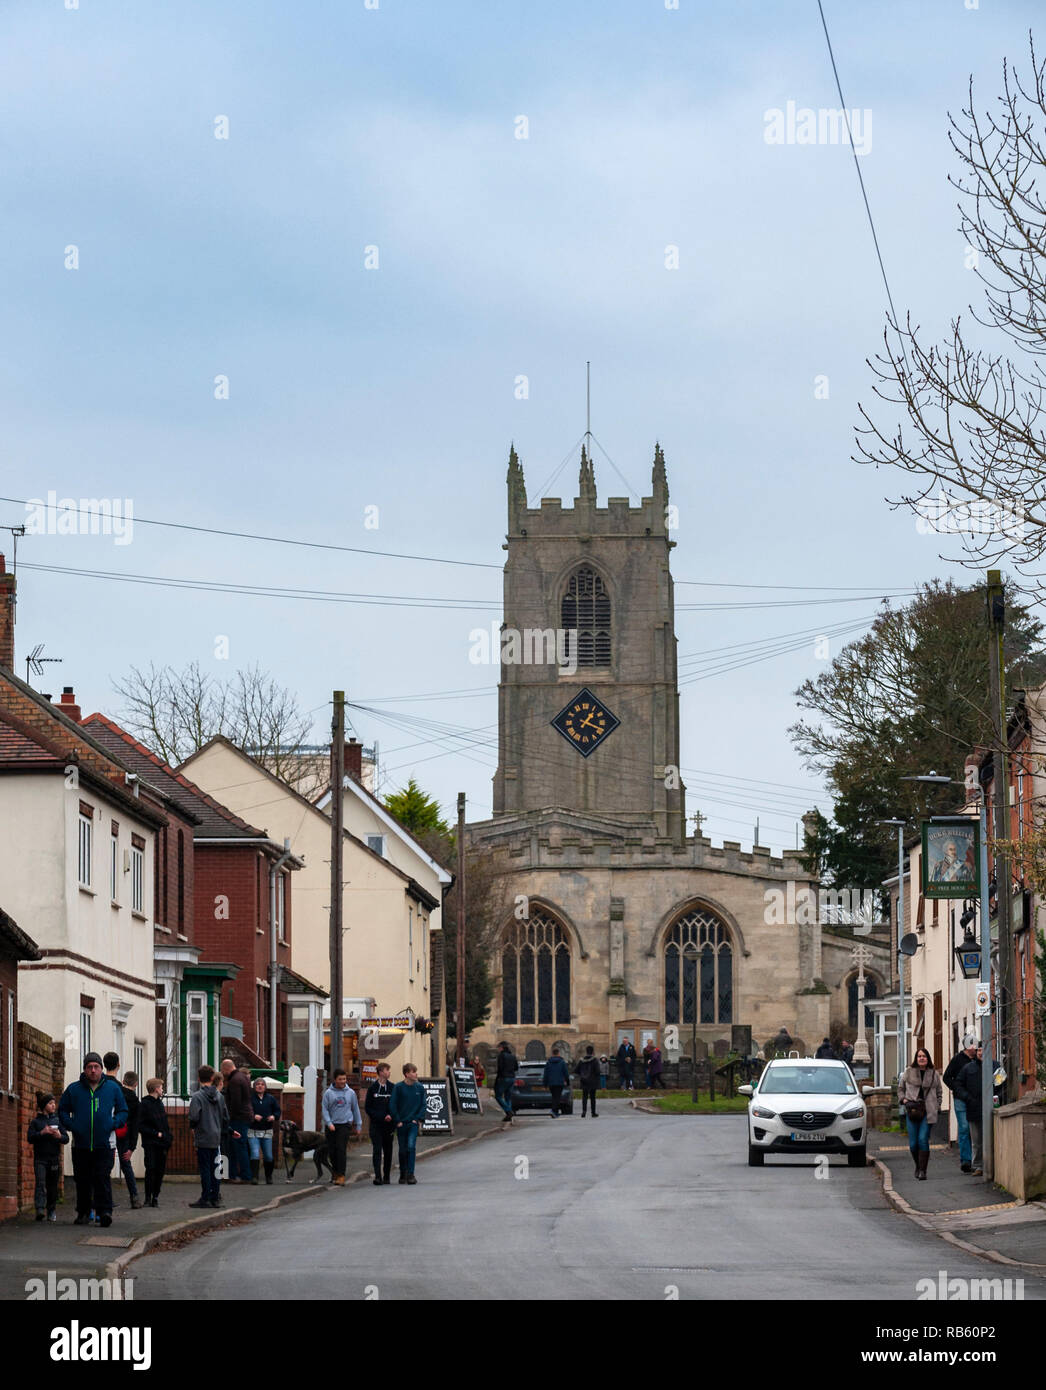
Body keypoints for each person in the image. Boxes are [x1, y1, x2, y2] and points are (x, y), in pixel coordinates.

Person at [59, 1051, 127, 1228]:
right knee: (82, 1180)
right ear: (84, 1069)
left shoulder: (112, 1089)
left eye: (96, 1067)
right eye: (89, 1067)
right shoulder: (74, 1089)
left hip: (104, 1143)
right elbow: (62, 1110)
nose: (93, 1070)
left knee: (102, 1178)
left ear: (101, 1069)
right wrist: (72, 1125)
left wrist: (114, 1123)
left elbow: (123, 1110)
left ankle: (104, 1212)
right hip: (80, 1144)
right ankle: (83, 1213)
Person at [898, 1046, 943, 1181]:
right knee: (913, 1144)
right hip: (912, 1111)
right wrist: (904, 1100)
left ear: (927, 1058)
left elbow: (939, 1092)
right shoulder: (908, 1072)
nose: (921, 1058)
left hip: (928, 1111)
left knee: (923, 1139)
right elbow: (900, 1089)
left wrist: (937, 1105)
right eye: (919, 1056)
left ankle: (923, 1171)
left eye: (924, 1056)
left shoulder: (934, 1073)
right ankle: (918, 1166)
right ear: (916, 1059)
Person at [189, 1064, 229, 1208]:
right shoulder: (220, 1096)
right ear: (212, 1078)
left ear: (199, 1078)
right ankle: (215, 1197)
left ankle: (205, 1197)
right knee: (216, 1168)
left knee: (205, 1168)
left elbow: (194, 1117)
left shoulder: (197, 1097)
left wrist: (193, 1128)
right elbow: (225, 1117)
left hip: (203, 1136)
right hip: (216, 1137)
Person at [27, 1092, 68, 1222]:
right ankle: (39, 1209)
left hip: (54, 1158)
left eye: (54, 1103)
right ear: (44, 1105)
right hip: (40, 1158)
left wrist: (59, 1136)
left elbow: (66, 1138)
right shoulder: (36, 1122)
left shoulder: (57, 1121)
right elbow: (30, 1138)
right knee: (40, 1183)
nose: (53, 1105)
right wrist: (42, 1133)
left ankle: (51, 1210)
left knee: (52, 1186)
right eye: (50, 1103)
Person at [943, 1033, 979, 1173]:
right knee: (964, 1128)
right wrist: (957, 1089)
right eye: (972, 1045)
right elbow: (946, 1077)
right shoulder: (957, 1060)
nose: (974, 1048)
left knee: (974, 1129)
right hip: (961, 1099)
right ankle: (966, 1161)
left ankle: (977, 1160)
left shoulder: (978, 1059)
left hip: (975, 1099)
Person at [322, 1068, 362, 1186]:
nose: (343, 1081)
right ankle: (335, 1172)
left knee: (341, 1149)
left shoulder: (350, 1093)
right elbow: (324, 1110)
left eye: (344, 1079)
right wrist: (329, 1123)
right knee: (332, 1151)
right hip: (332, 1126)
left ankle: (341, 1175)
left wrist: (358, 1124)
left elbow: (355, 1109)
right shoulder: (328, 1093)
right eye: (340, 1079)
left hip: (345, 1124)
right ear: (335, 1080)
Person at [390, 1063, 428, 1184]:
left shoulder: (419, 1088)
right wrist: (397, 1120)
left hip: (413, 1123)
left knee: (411, 1147)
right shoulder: (398, 1087)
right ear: (407, 1074)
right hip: (402, 1123)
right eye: (413, 1072)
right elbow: (393, 1104)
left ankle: (411, 1174)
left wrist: (417, 1119)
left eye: (415, 1071)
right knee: (402, 1149)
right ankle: (403, 1173)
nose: (416, 1074)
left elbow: (423, 1105)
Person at [138, 1078, 172, 1207]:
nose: (162, 1090)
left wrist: (168, 1137)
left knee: (160, 1171)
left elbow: (164, 1124)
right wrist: (156, 1133)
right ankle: (148, 1197)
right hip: (151, 1143)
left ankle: (155, 1196)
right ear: (156, 1088)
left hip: (162, 1143)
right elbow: (141, 1125)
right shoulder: (145, 1104)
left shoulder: (159, 1103)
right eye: (161, 1087)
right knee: (151, 1169)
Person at [112, 1070, 142, 1209]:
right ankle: (134, 1197)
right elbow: (136, 1125)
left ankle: (106, 1197)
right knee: (126, 1165)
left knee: (105, 1165)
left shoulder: (116, 1094)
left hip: (111, 1131)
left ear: (123, 1081)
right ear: (136, 1084)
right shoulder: (135, 1102)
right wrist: (132, 1147)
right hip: (125, 1135)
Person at [953, 1044, 985, 1176]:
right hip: (973, 1108)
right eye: (978, 1050)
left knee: (989, 1138)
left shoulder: (995, 1066)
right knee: (976, 1140)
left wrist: (996, 1097)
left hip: (990, 1108)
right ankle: (977, 1166)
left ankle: (989, 1165)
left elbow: (1001, 1082)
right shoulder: (968, 1068)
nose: (980, 1053)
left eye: (983, 1050)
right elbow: (958, 1084)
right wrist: (967, 1098)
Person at [220, 1059, 252, 1183]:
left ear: (226, 1069)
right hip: (245, 1116)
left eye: (223, 1071)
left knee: (238, 1147)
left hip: (238, 1118)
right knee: (237, 1147)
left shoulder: (234, 1081)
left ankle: (244, 1176)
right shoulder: (243, 1077)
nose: (223, 1073)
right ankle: (233, 1174)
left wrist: (229, 1118)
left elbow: (235, 1103)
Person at [365, 1062, 395, 1185]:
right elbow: (368, 1108)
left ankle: (387, 1175)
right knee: (377, 1150)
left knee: (388, 1151)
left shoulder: (393, 1087)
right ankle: (378, 1176)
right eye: (387, 1070)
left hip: (389, 1125)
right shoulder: (372, 1089)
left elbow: (395, 1104)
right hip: (376, 1125)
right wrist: (382, 1116)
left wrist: (391, 1115)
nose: (389, 1072)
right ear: (381, 1072)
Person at [247, 1077, 281, 1185]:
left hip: (267, 1130)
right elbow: (246, 1111)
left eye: (262, 1084)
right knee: (255, 1154)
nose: (260, 1086)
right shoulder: (250, 1099)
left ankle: (269, 1177)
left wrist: (273, 1117)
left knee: (268, 1155)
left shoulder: (271, 1099)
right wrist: (253, 1116)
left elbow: (277, 1111)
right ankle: (255, 1177)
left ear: (265, 1087)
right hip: (253, 1131)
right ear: (254, 1086)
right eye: (258, 1084)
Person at [493, 1041, 518, 1123]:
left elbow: (500, 1068)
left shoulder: (501, 1056)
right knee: (508, 1097)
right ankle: (508, 1116)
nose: (498, 1049)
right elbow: (516, 1068)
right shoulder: (512, 1056)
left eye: (499, 1048)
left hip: (504, 1078)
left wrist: (498, 1078)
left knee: (498, 1096)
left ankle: (508, 1111)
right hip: (512, 1077)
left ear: (502, 1048)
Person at [542, 1046, 570, 1117]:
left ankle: (555, 1112)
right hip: (559, 1082)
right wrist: (567, 1082)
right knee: (557, 1097)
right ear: (558, 1053)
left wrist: (545, 1084)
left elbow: (546, 1074)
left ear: (552, 1053)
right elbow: (566, 1073)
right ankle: (554, 1110)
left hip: (551, 1083)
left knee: (554, 1097)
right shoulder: (562, 1062)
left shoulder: (548, 1062)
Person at [574, 1045, 600, 1117]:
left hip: (584, 1081)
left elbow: (576, 1070)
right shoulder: (595, 1060)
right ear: (592, 1052)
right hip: (592, 1081)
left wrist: (582, 1074)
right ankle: (593, 1112)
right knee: (592, 1097)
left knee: (584, 1097)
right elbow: (598, 1071)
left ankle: (584, 1111)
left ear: (586, 1051)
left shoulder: (581, 1060)